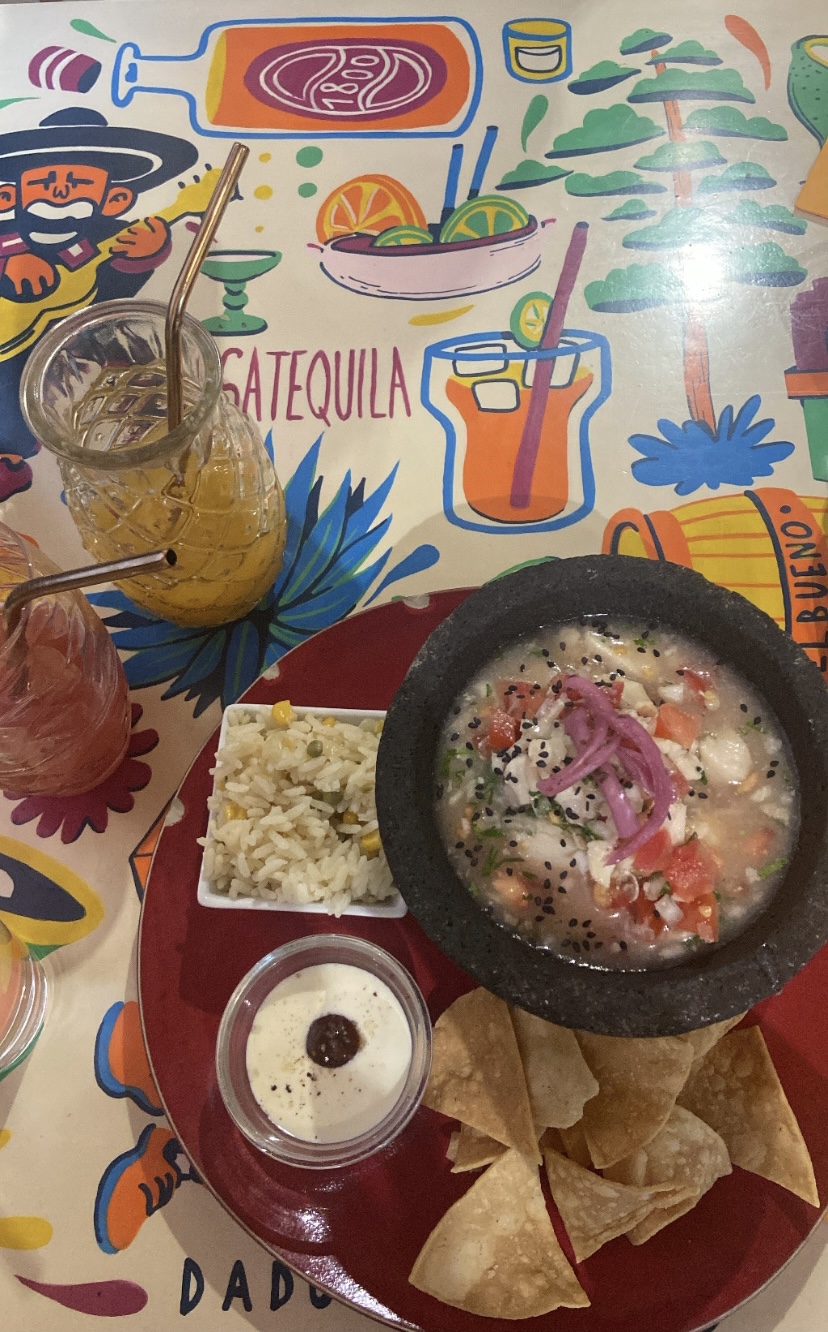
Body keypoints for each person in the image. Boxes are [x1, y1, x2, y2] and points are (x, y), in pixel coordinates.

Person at [0, 106, 198, 497]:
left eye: (78, 182)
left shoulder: (110, 235)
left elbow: (114, 287)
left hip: (71, 349)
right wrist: (11, 261)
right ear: (9, 194)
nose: (60, 192)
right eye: (44, 182)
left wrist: (146, 253)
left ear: (115, 198)